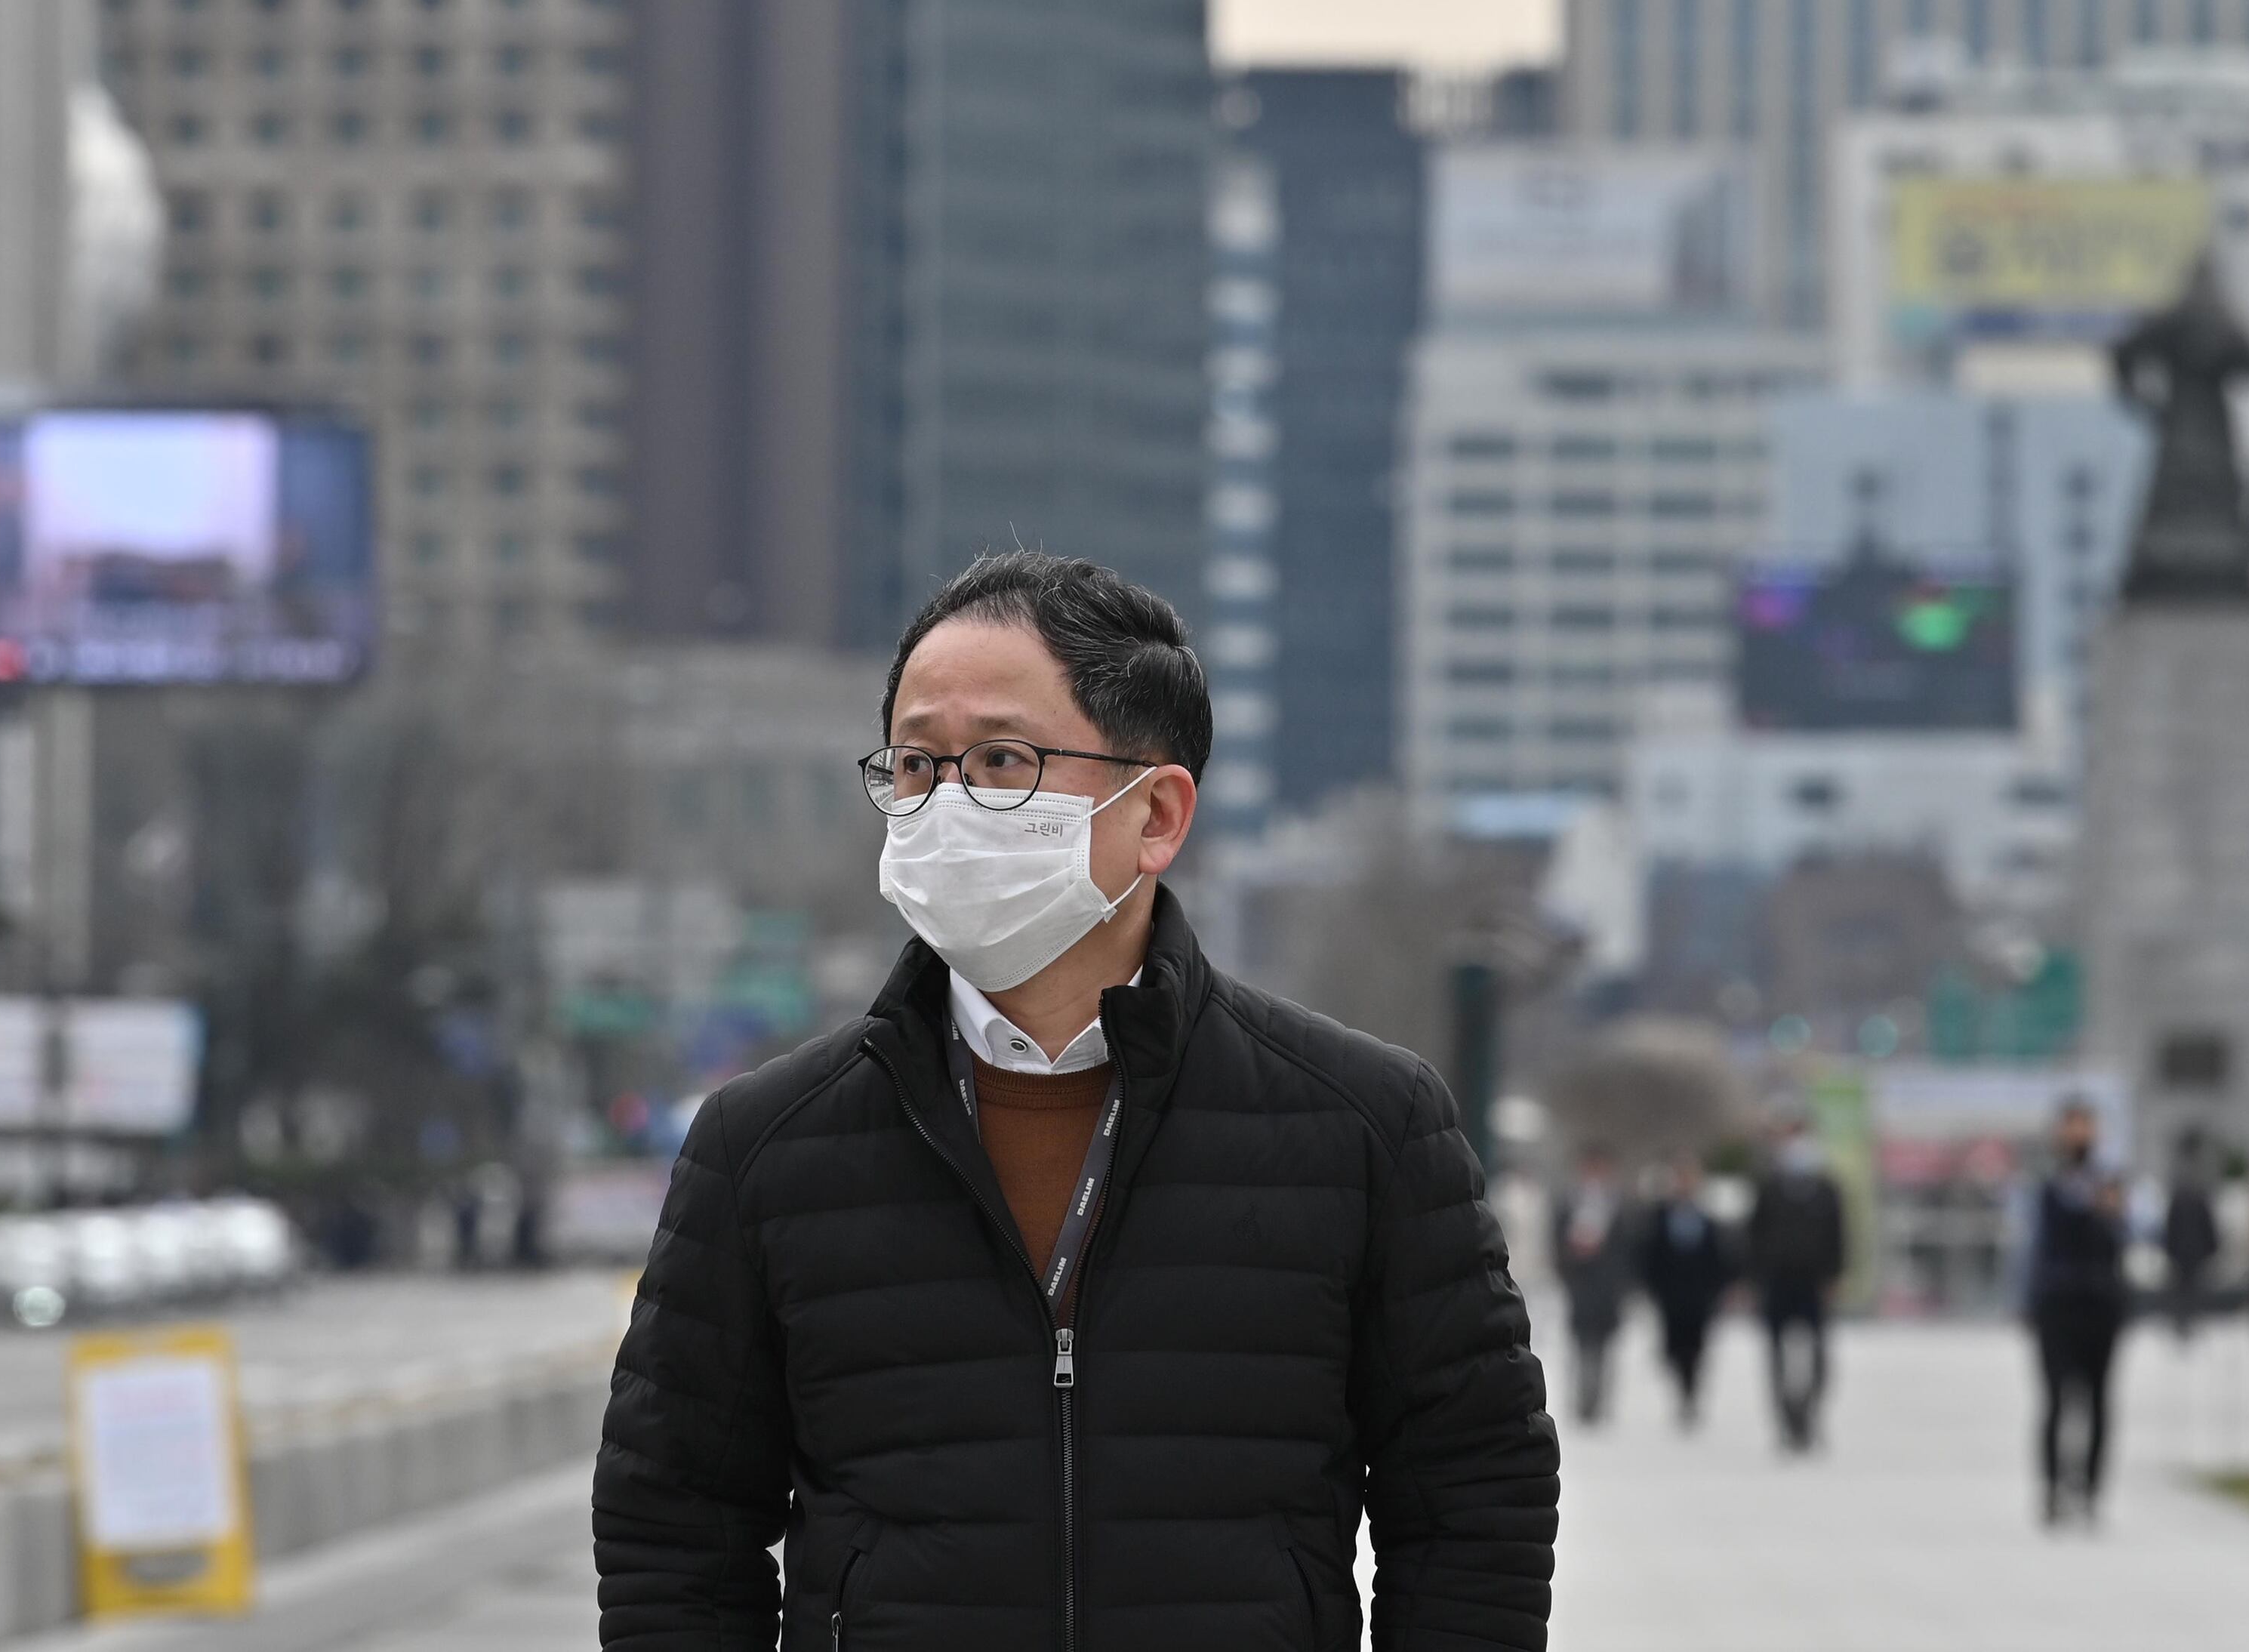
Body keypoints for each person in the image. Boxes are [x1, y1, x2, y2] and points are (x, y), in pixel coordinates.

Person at [596, 551, 1560, 1650]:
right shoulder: (764, 1145)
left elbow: (1477, 1497)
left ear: (1156, 812)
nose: (948, 805)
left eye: (1003, 759)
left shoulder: (1364, 1124)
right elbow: (672, 1521)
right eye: (917, 765)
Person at [2026, 1096, 2132, 1528]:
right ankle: (2052, 1487)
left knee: (2099, 1402)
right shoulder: (2049, 1185)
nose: (2078, 1135)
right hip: (2057, 1305)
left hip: (2101, 1304)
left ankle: (2089, 1489)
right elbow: (2035, 1247)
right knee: (2054, 1400)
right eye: (2071, 1126)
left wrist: (2110, 1211)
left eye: (2085, 1126)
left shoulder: (2110, 1183)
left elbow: (2125, 1237)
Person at [1745, 1110, 1848, 1453]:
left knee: (1818, 1355)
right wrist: (1753, 1279)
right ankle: (1785, 1419)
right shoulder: (1770, 1189)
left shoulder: (1826, 1190)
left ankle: (1810, 1414)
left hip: (1814, 1282)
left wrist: (1834, 1276)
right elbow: (1754, 1237)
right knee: (1776, 1354)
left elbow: (1839, 1236)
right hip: (1777, 1282)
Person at [1637, 1154, 1737, 1432]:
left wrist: (1720, 1289)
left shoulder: (1707, 1220)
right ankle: (1682, 1390)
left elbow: (1719, 1258)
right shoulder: (1659, 1217)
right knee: (1673, 1349)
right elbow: (1650, 1257)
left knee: (1696, 1350)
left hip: (1699, 1297)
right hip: (1670, 1296)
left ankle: (1691, 1395)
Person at [1551, 1147, 1639, 1426]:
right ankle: (1583, 1397)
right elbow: (1556, 1241)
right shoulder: (1568, 1201)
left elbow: (1629, 1247)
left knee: (1604, 1345)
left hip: (1608, 1288)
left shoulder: (1620, 1204)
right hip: (1580, 1285)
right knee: (1580, 1344)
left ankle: (1598, 1398)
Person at [2158, 1134, 2223, 1345]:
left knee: (2189, 1287)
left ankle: (2187, 1320)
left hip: (2188, 1250)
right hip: (2186, 1250)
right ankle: (2184, 1321)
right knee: (2185, 1288)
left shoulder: (2190, 1194)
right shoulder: (2191, 1194)